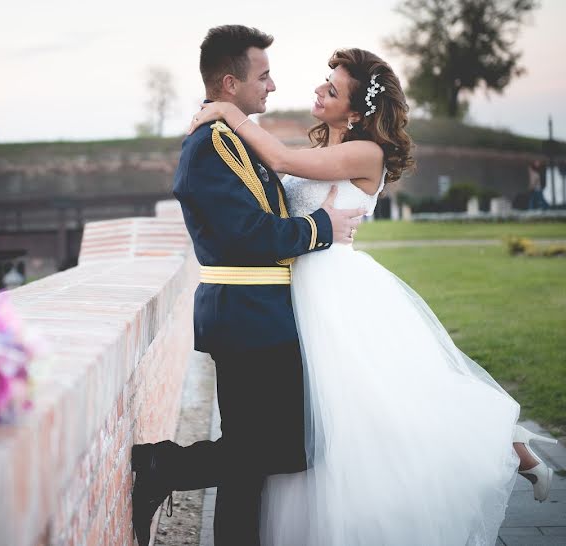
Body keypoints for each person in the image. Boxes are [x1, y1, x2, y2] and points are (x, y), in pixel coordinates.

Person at [189, 47, 557, 545]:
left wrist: (229, 112)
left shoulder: (367, 153)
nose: (319, 90)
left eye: (333, 89)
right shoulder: (325, 149)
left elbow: (278, 158)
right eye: (325, 81)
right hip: (299, 284)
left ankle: (507, 447)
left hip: (333, 287)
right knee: (338, 411)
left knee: (383, 401)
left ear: (358, 112)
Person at [129, 26, 366, 546]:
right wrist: (323, 227)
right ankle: (161, 465)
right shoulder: (210, 145)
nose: (274, 85)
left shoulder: (231, 137)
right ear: (231, 84)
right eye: (264, 76)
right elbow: (251, 234)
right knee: (276, 449)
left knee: (253, 460)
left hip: (258, 313)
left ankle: (169, 474)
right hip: (247, 314)